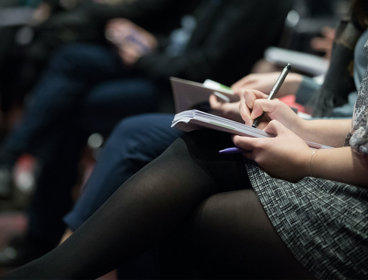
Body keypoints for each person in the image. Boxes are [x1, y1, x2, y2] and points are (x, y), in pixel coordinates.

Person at [2, 6, 368, 276]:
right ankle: (51, 257)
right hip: (328, 137)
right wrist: (298, 125)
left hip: (352, 196)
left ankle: (53, 261)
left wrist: (305, 157)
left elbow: (203, 60)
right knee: (85, 89)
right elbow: (360, 124)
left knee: (167, 188)